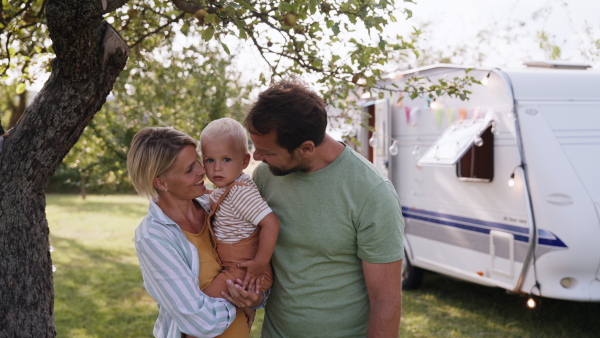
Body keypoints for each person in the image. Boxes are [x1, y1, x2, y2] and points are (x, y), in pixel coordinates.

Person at [244, 79, 406, 337]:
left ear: (306, 148)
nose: (256, 158)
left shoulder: (371, 193)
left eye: (267, 152)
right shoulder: (265, 176)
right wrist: (258, 294)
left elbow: (385, 300)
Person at [127, 127, 263, 338]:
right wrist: (239, 305)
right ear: (161, 183)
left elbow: (254, 265)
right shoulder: (153, 237)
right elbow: (199, 321)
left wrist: (256, 299)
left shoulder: (218, 204)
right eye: (189, 169)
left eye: (198, 161)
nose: (202, 170)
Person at [198, 117, 279, 304]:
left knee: (203, 304)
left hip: (246, 268)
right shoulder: (227, 188)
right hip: (233, 266)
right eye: (210, 160)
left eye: (226, 159)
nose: (217, 167)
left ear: (244, 161)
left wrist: (260, 262)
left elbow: (271, 223)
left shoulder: (239, 192)